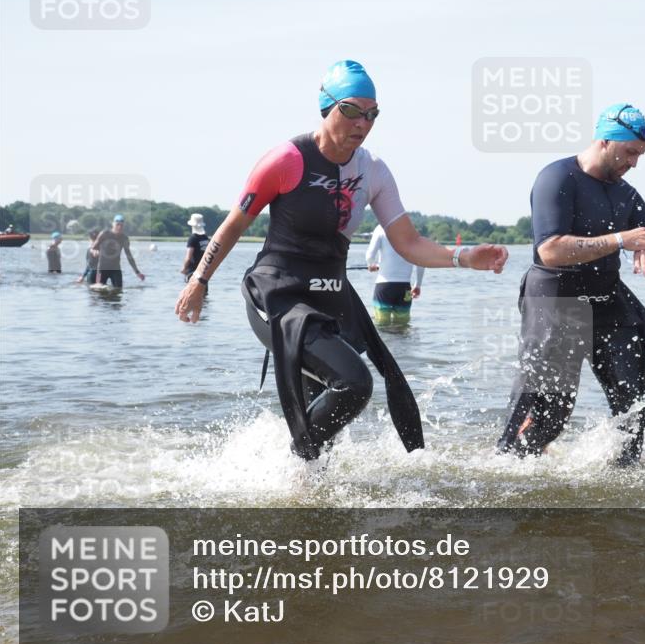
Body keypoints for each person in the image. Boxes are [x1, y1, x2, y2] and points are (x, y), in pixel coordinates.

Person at [174, 60, 508, 460]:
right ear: (326, 107)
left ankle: (304, 497)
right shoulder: (285, 160)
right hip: (277, 298)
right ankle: (284, 470)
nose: (362, 123)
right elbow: (233, 225)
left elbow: (408, 242)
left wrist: (464, 257)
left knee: (327, 426)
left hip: (330, 300)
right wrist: (199, 280)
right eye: (351, 110)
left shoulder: (373, 171)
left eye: (372, 114)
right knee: (353, 384)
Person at [496, 103, 645, 467]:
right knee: (551, 415)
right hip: (556, 300)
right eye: (630, 152)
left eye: (640, 155)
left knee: (634, 408)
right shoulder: (558, 178)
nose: (634, 163)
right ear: (605, 141)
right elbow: (549, 251)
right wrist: (620, 241)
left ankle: (623, 488)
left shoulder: (624, 192)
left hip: (608, 301)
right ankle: (510, 466)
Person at [365, 224, 425, 326]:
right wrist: (418, 285)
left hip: (384, 286)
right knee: (402, 326)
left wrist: (371, 265)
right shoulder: (411, 230)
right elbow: (421, 262)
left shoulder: (381, 228)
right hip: (405, 288)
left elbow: (370, 255)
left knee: (382, 325)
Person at [92, 215, 145, 288]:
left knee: (119, 291)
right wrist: (94, 251)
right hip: (102, 268)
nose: (119, 227)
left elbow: (129, 256)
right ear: (113, 224)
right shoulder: (104, 234)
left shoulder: (124, 238)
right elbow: (93, 247)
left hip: (116, 269)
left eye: (121, 225)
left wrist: (137, 272)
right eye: (117, 225)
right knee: (99, 290)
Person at [180, 213, 211, 293]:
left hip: (193, 273)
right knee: (203, 297)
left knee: (191, 296)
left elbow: (189, 257)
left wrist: (184, 268)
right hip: (204, 273)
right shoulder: (205, 238)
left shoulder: (193, 238)